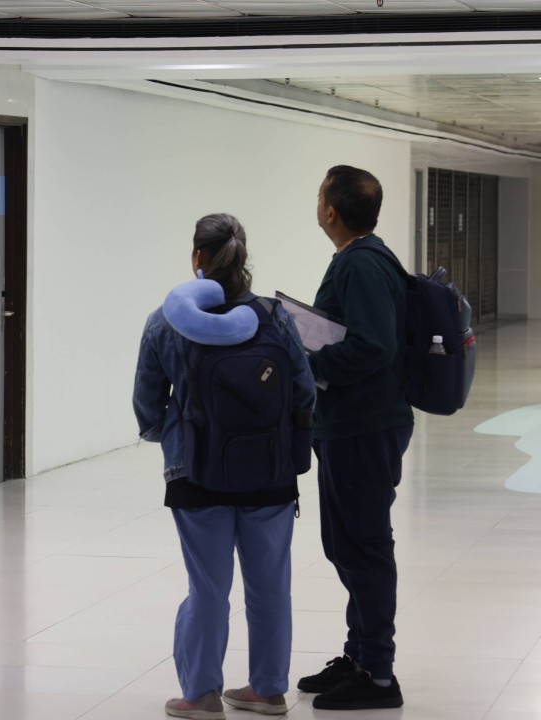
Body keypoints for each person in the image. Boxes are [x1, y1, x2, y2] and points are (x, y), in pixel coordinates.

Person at [134, 213, 316, 720]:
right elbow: (303, 393)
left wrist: (167, 436)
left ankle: (201, 695)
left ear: (197, 258)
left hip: (196, 475)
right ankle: (269, 689)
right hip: (270, 474)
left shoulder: (165, 321)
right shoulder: (276, 319)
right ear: (244, 258)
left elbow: (147, 406)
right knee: (270, 585)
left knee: (208, 588)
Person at [296, 165, 413, 710]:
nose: (317, 202)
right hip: (353, 424)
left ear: (330, 211)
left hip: (364, 427)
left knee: (363, 547)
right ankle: (359, 653)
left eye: (319, 195)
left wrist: (311, 358)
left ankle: (379, 676)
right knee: (347, 544)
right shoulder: (361, 257)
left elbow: (373, 346)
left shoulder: (363, 264)